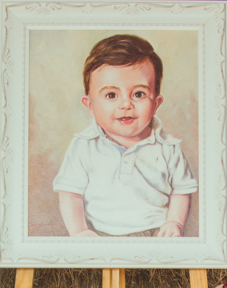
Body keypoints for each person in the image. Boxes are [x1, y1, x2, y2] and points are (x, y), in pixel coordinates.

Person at [53, 34, 198, 237]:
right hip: (99, 236)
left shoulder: (168, 147)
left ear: (156, 104)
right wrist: (79, 231)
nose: (126, 104)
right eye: (111, 95)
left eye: (138, 94)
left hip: (155, 235)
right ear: (90, 105)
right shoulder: (83, 145)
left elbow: (180, 190)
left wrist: (175, 222)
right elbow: (70, 193)